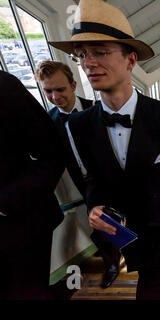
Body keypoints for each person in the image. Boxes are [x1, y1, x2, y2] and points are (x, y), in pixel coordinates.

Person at [48, 0, 160, 300]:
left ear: (131, 60)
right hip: (121, 228)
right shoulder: (78, 123)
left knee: (153, 287)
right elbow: (92, 176)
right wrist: (93, 206)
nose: (89, 63)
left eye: (101, 52)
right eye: (82, 55)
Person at [35, 60, 121, 289]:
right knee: (86, 228)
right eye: (48, 91)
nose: (54, 96)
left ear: (73, 85)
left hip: (104, 182)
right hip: (74, 186)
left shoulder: (98, 109)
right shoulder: (47, 122)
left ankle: (113, 262)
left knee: (108, 226)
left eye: (60, 89)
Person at [0, 71, 65, 299]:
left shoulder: (4, 86)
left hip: (18, 229)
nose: (54, 96)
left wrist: (6, 202)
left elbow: (52, 153)